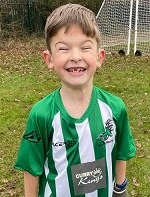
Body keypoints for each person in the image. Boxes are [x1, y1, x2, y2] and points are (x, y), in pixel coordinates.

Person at [14, 3, 136, 197]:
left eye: (85, 47)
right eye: (63, 49)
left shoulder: (115, 108)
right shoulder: (42, 114)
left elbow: (122, 151)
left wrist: (120, 190)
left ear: (99, 57)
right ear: (49, 59)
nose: (76, 57)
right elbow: (31, 167)